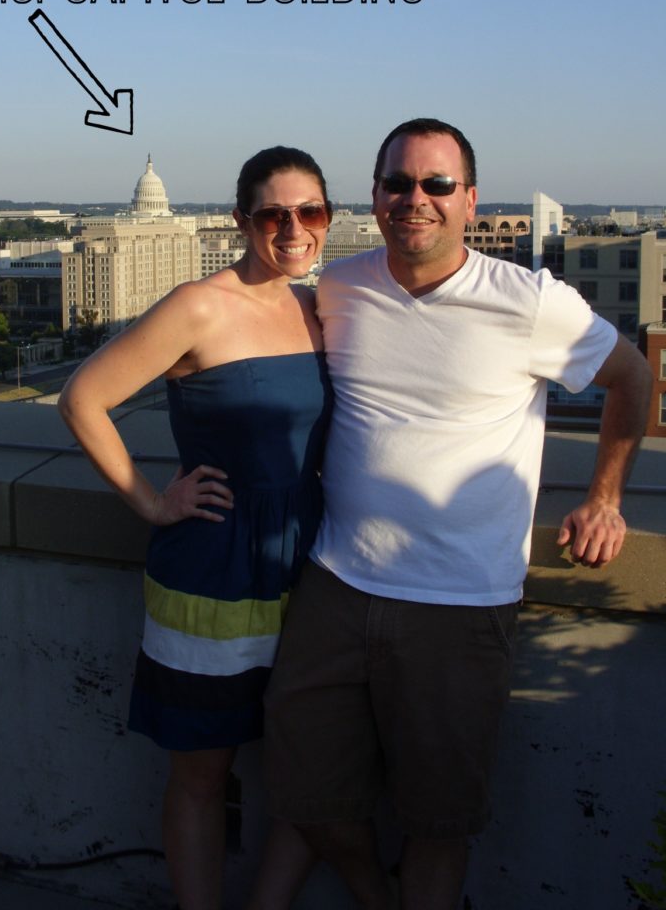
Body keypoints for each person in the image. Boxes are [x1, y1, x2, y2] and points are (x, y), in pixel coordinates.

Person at [263, 118, 654, 910]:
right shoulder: (340, 288)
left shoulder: (530, 302)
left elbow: (635, 378)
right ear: (373, 197)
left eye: (437, 184)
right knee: (306, 794)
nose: (417, 199)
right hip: (335, 587)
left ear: (469, 200)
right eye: (398, 183)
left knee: (437, 824)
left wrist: (604, 497)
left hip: (461, 608)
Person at [58, 146, 334, 910]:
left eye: (310, 212)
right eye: (274, 214)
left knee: (310, 773)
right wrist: (151, 503)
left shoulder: (315, 307)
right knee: (203, 775)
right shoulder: (198, 305)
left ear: (327, 220)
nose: (294, 229)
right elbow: (83, 399)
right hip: (213, 570)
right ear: (242, 219)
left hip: (306, 569)